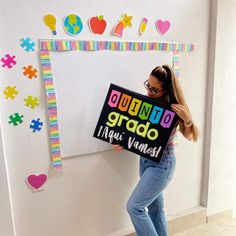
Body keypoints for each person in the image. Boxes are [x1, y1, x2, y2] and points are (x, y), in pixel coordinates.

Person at [113, 65, 199, 236]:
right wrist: (123, 141)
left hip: (163, 164)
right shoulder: (146, 104)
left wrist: (188, 119)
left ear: (166, 90)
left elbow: (190, 136)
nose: (149, 92)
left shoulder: (174, 108)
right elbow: (137, 131)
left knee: (134, 207)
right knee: (155, 210)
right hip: (145, 160)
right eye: (148, 86)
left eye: (155, 89)